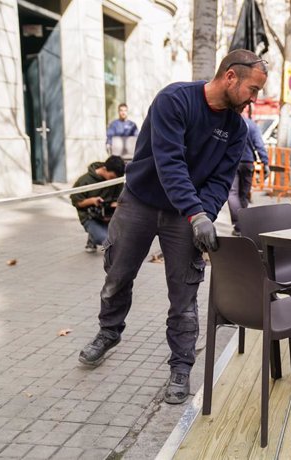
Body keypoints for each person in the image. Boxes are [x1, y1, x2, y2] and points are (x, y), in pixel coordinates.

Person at [78, 49, 268, 405]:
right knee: (117, 274)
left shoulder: (237, 128)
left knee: (184, 294)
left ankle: (181, 366)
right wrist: (197, 213)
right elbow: (170, 163)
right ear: (230, 76)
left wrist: (204, 214)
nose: (254, 99)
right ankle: (109, 331)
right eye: (253, 89)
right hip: (141, 201)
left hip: (186, 213)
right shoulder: (174, 100)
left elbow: (219, 181)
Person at [227, 106, 270, 236]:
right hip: (247, 163)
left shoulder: (228, 124)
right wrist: (265, 163)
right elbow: (259, 145)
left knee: (232, 194)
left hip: (232, 162)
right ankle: (243, 225)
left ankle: (239, 226)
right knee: (244, 195)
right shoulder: (252, 125)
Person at [70, 156, 126, 253]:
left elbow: (122, 198)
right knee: (107, 241)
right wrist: (92, 201)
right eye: (111, 177)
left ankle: (94, 236)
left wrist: (115, 204)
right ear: (104, 169)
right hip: (90, 217)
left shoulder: (116, 180)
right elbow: (76, 202)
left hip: (111, 216)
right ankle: (94, 236)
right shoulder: (84, 180)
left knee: (126, 238)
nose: (111, 180)